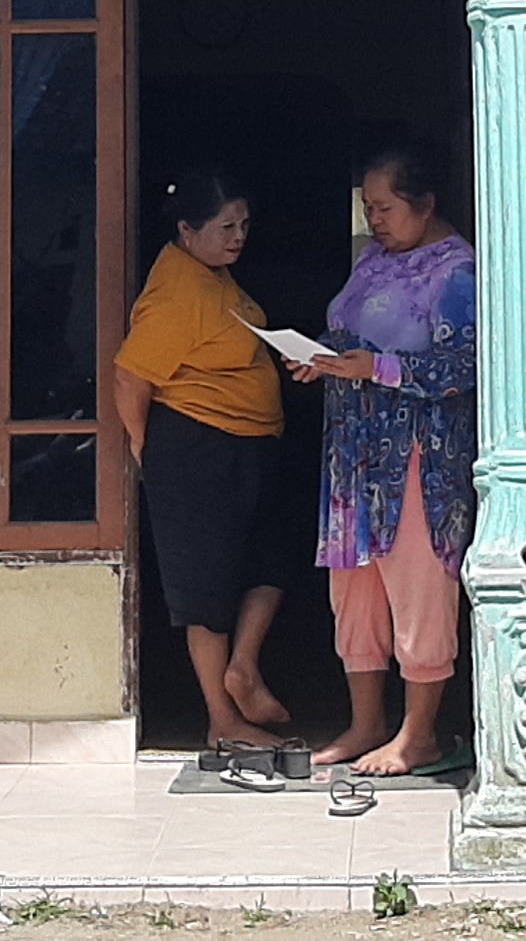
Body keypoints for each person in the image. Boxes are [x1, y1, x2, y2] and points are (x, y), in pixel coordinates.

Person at [291, 145, 475, 777]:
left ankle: (418, 735)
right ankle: (366, 723)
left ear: (425, 205)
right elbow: (352, 331)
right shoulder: (373, 258)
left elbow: (463, 366)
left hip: (417, 456)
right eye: (368, 207)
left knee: (419, 585)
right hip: (352, 454)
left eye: (386, 208)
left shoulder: (455, 272)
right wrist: (321, 356)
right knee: (356, 590)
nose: (374, 220)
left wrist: (378, 368)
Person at [111, 167, 295, 755]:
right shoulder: (178, 291)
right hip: (196, 448)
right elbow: (130, 376)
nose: (238, 237)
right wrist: (143, 444)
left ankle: (243, 668)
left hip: (248, 443)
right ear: (187, 231)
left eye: (243, 225)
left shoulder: (214, 274)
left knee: (271, 561)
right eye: (224, 227)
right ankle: (222, 719)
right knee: (206, 590)